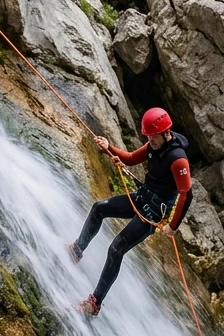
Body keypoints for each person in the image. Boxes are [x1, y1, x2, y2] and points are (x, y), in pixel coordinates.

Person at [67, 108, 193, 315]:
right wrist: (110, 148)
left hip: (153, 213)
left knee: (116, 248)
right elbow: (131, 158)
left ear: (165, 132)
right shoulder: (154, 146)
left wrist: (172, 225)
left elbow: (186, 194)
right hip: (142, 197)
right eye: (148, 136)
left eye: (153, 136)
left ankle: (94, 304)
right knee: (99, 208)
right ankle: (76, 250)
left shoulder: (178, 159)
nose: (150, 140)